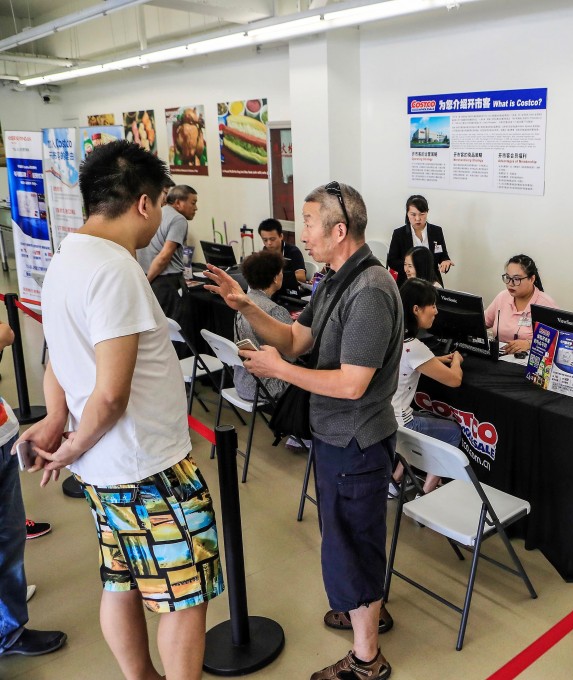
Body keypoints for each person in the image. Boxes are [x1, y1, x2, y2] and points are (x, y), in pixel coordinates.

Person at [19, 140, 223, 680]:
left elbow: (57, 353)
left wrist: (61, 418)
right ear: (142, 204)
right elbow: (112, 393)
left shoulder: (65, 258)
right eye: (158, 205)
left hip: (106, 474)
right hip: (148, 466)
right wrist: (71, 446)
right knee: (185, 594)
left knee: (122, 578)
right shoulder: (115, 270)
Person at [203, 180, 400, 680]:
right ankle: (361, 606)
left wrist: (279, 371)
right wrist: (246, 306)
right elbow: (295, 338)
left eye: (310, 223)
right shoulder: (334, 277)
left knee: (353, 542)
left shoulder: (372, 290)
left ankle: (366, 659)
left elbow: (353, 384)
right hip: (334, 436)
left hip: (356, 439)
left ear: (340, 230)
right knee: (344, 538)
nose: (301, 233)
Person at [1, 321, 66, 660]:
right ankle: (7, 631)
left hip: (2, 434)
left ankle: (6, 610)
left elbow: (6, 333)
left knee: (9, 535)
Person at [390, 278, 464, 494]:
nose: (436, 311)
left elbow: (411, 363)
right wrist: (456, 360)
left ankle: (394, 482)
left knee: (427, 416)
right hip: (403, 425)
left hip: (384, 419)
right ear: (416, 309)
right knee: (452, 431)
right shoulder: (414, 346)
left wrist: (439, 360)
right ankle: (427, 492)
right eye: (432, 306)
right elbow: (454, 380)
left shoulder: (393, 334)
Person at [233, 250, 294, 403]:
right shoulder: (275, 311)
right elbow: (293, 351)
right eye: (281, 272)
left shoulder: (243, 302)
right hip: (265, 386)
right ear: (275, 278)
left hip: (242, 382)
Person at [136, 184, 198, 321]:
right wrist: (148, 281)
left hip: (149, 276)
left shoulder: (157, 213)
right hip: (166, 283)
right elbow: (164, 257)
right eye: (193, 203)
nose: (196, 208)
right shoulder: (178, 219)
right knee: (177, 332)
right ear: (178, 203)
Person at [484, 254, 557, 355]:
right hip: (499, 357)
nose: (510, 283)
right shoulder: (502, 297)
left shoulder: (545, 304)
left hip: (526, 362)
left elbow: (557, 342)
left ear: (531, 279)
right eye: (507, 277)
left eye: (517, 279)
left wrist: (529, 344)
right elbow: (482, 323)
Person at [386, 194, 453, 286]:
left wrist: (446, 261)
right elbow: (392, 261)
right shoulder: (399, 234)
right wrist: (412, 267)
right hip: (407, 282)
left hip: (432, 282)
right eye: (413, 214)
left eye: (422, 214)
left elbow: (443, 256)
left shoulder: (436, 231)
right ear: (407, 214)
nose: (417, 219)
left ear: (427, 212)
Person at [258, 217, 306, 293]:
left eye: (272, 239)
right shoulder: (265, 251)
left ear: (281, 236)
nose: (269, 243)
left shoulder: (293, 251)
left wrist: (278, 278)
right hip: (273, 290)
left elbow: (301, 277)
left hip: (289, 292)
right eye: (265, 240)